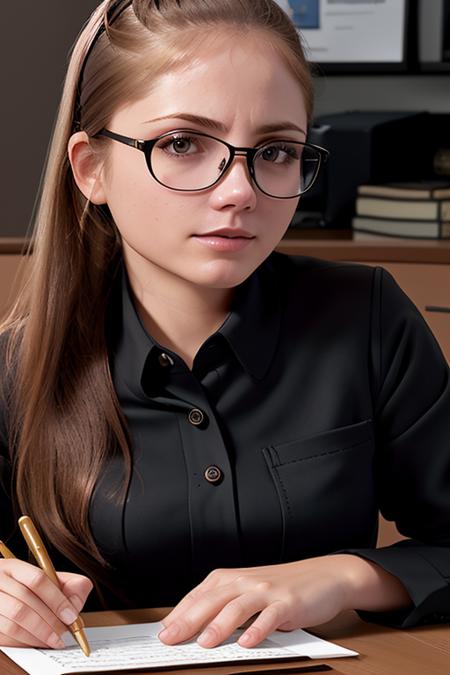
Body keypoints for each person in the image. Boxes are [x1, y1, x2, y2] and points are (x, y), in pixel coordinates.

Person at [0, 0, 449, 654]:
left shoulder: (368, 318)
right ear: (91, 167)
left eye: (275, 151)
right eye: (182, 143)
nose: (240, 189)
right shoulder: (18, 367)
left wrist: (342, 575)